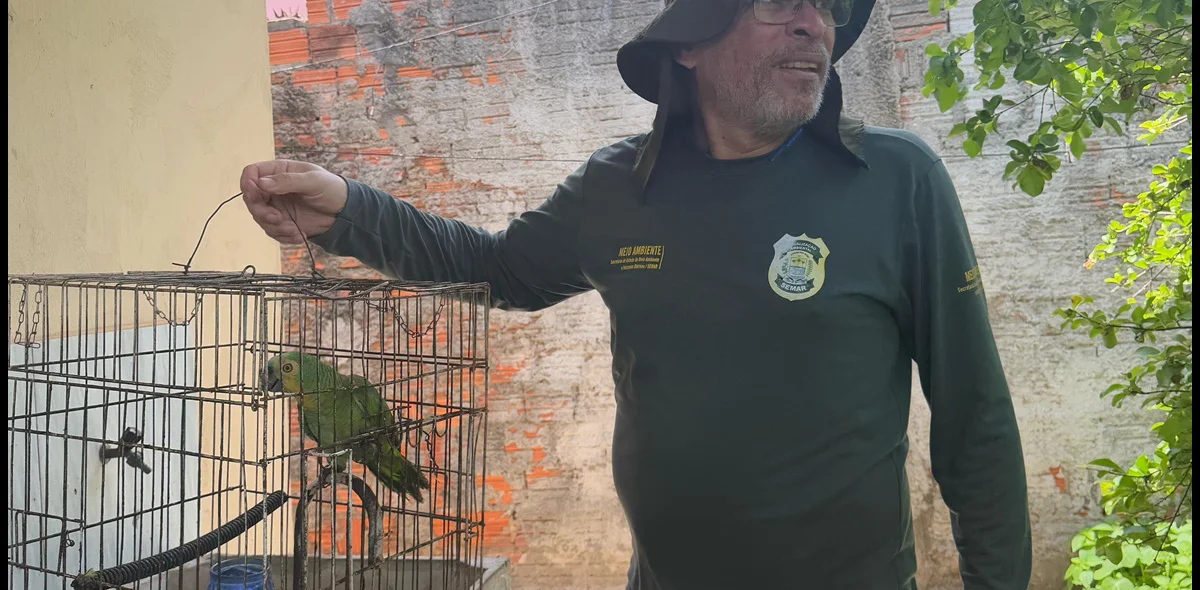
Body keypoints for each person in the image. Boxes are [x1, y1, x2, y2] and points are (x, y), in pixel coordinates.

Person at [241, 0, 1033, 587]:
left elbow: (975, 412)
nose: (812, 23)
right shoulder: (619, 187)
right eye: (780, 3)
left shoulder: (897, 179)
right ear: (691, 44)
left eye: (824, 7)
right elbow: (499, 269)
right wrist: (346, 210)